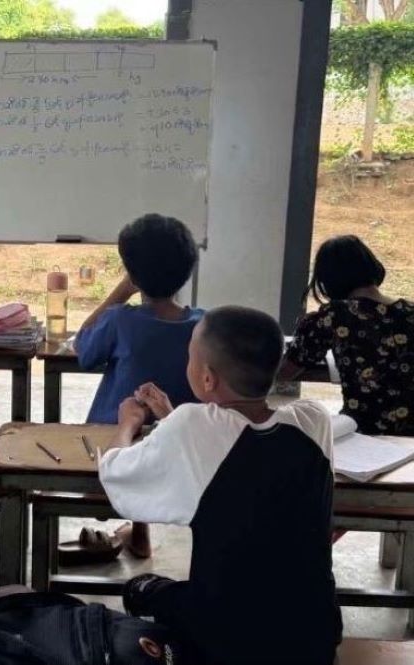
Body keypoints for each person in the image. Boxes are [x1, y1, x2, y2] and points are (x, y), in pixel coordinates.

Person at [102, 306, 341, 665]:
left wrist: (129, 422)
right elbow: (235, 444)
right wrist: (172, 418)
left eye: (190, 357)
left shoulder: (192, 427)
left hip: (229, 637)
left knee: (139, 589)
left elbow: (115, 473)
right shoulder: (313, 420)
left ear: (208, 378)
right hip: (315, 633)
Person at [72, 213, 203, 559]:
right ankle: (139, 535)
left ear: (133, 273)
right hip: (173, 451)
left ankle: (109, 506)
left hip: (113, 446)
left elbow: (82, 346)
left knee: (128, 417)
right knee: (150, 427)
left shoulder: (120, 320)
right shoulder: (204, 326)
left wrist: (120, 290)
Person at [281, 235, 413, 436]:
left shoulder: (331, 316)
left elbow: (287, 371)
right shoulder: (409, 311)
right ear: (372, 266)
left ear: (328, 280)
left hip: (364, 433)